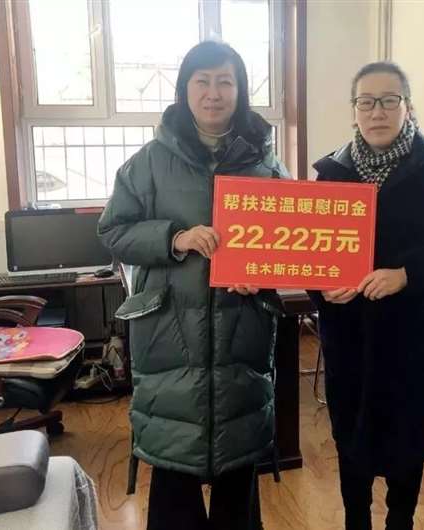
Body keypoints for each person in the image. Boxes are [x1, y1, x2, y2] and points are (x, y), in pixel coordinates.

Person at [98, 40, 288, 530]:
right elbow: (113, 231)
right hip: (168, 335)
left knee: (238, 474)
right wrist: (174, 238)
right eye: (202, 81)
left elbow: (288, 248)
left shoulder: (267, 166)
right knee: (173, 468)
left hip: (241, 333)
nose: (213, 93)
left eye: (225, 81)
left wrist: (262, 274)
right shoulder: (148, 162)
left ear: (240, 91)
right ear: (184, 90)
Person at [308, 62, 424, 530]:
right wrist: (323, 288)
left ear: (407, 106)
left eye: (389, 100)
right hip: (350, 338)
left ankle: (400, 521)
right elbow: (311, 255)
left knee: (407, 443)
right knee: (351, 438)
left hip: (413, 337)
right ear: (354, 110)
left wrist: (406, 275)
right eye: (366, 102)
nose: (377, 112)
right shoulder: (333, 174)